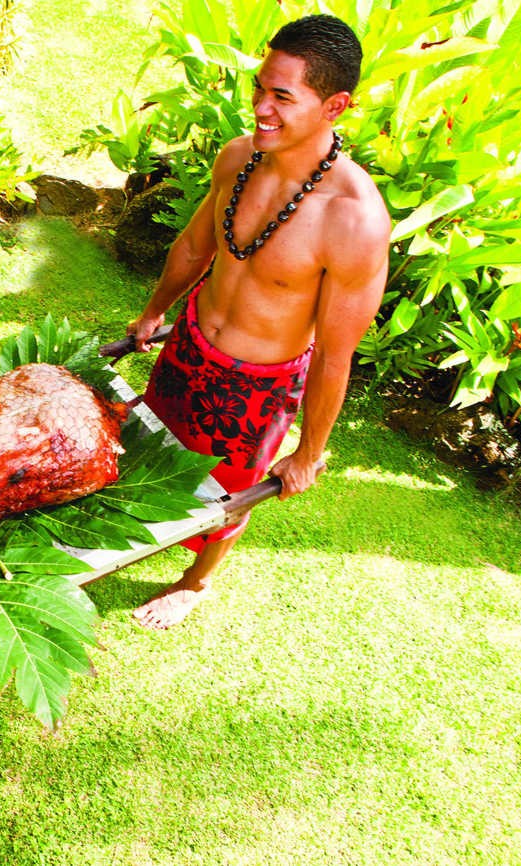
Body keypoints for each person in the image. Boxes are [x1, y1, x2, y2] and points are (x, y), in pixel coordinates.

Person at [128, 15, 389, 630]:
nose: (261, 108)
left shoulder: (353, 219)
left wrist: (310, 452)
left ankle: (196, 582)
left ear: (335, 106)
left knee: (221, 498)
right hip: (189, 342)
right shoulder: (238, 157)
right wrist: (154, 312)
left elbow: (333, 354)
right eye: (259, 89)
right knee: (142, 447)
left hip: (257, 386)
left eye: (282, 97)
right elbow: (195, 248)